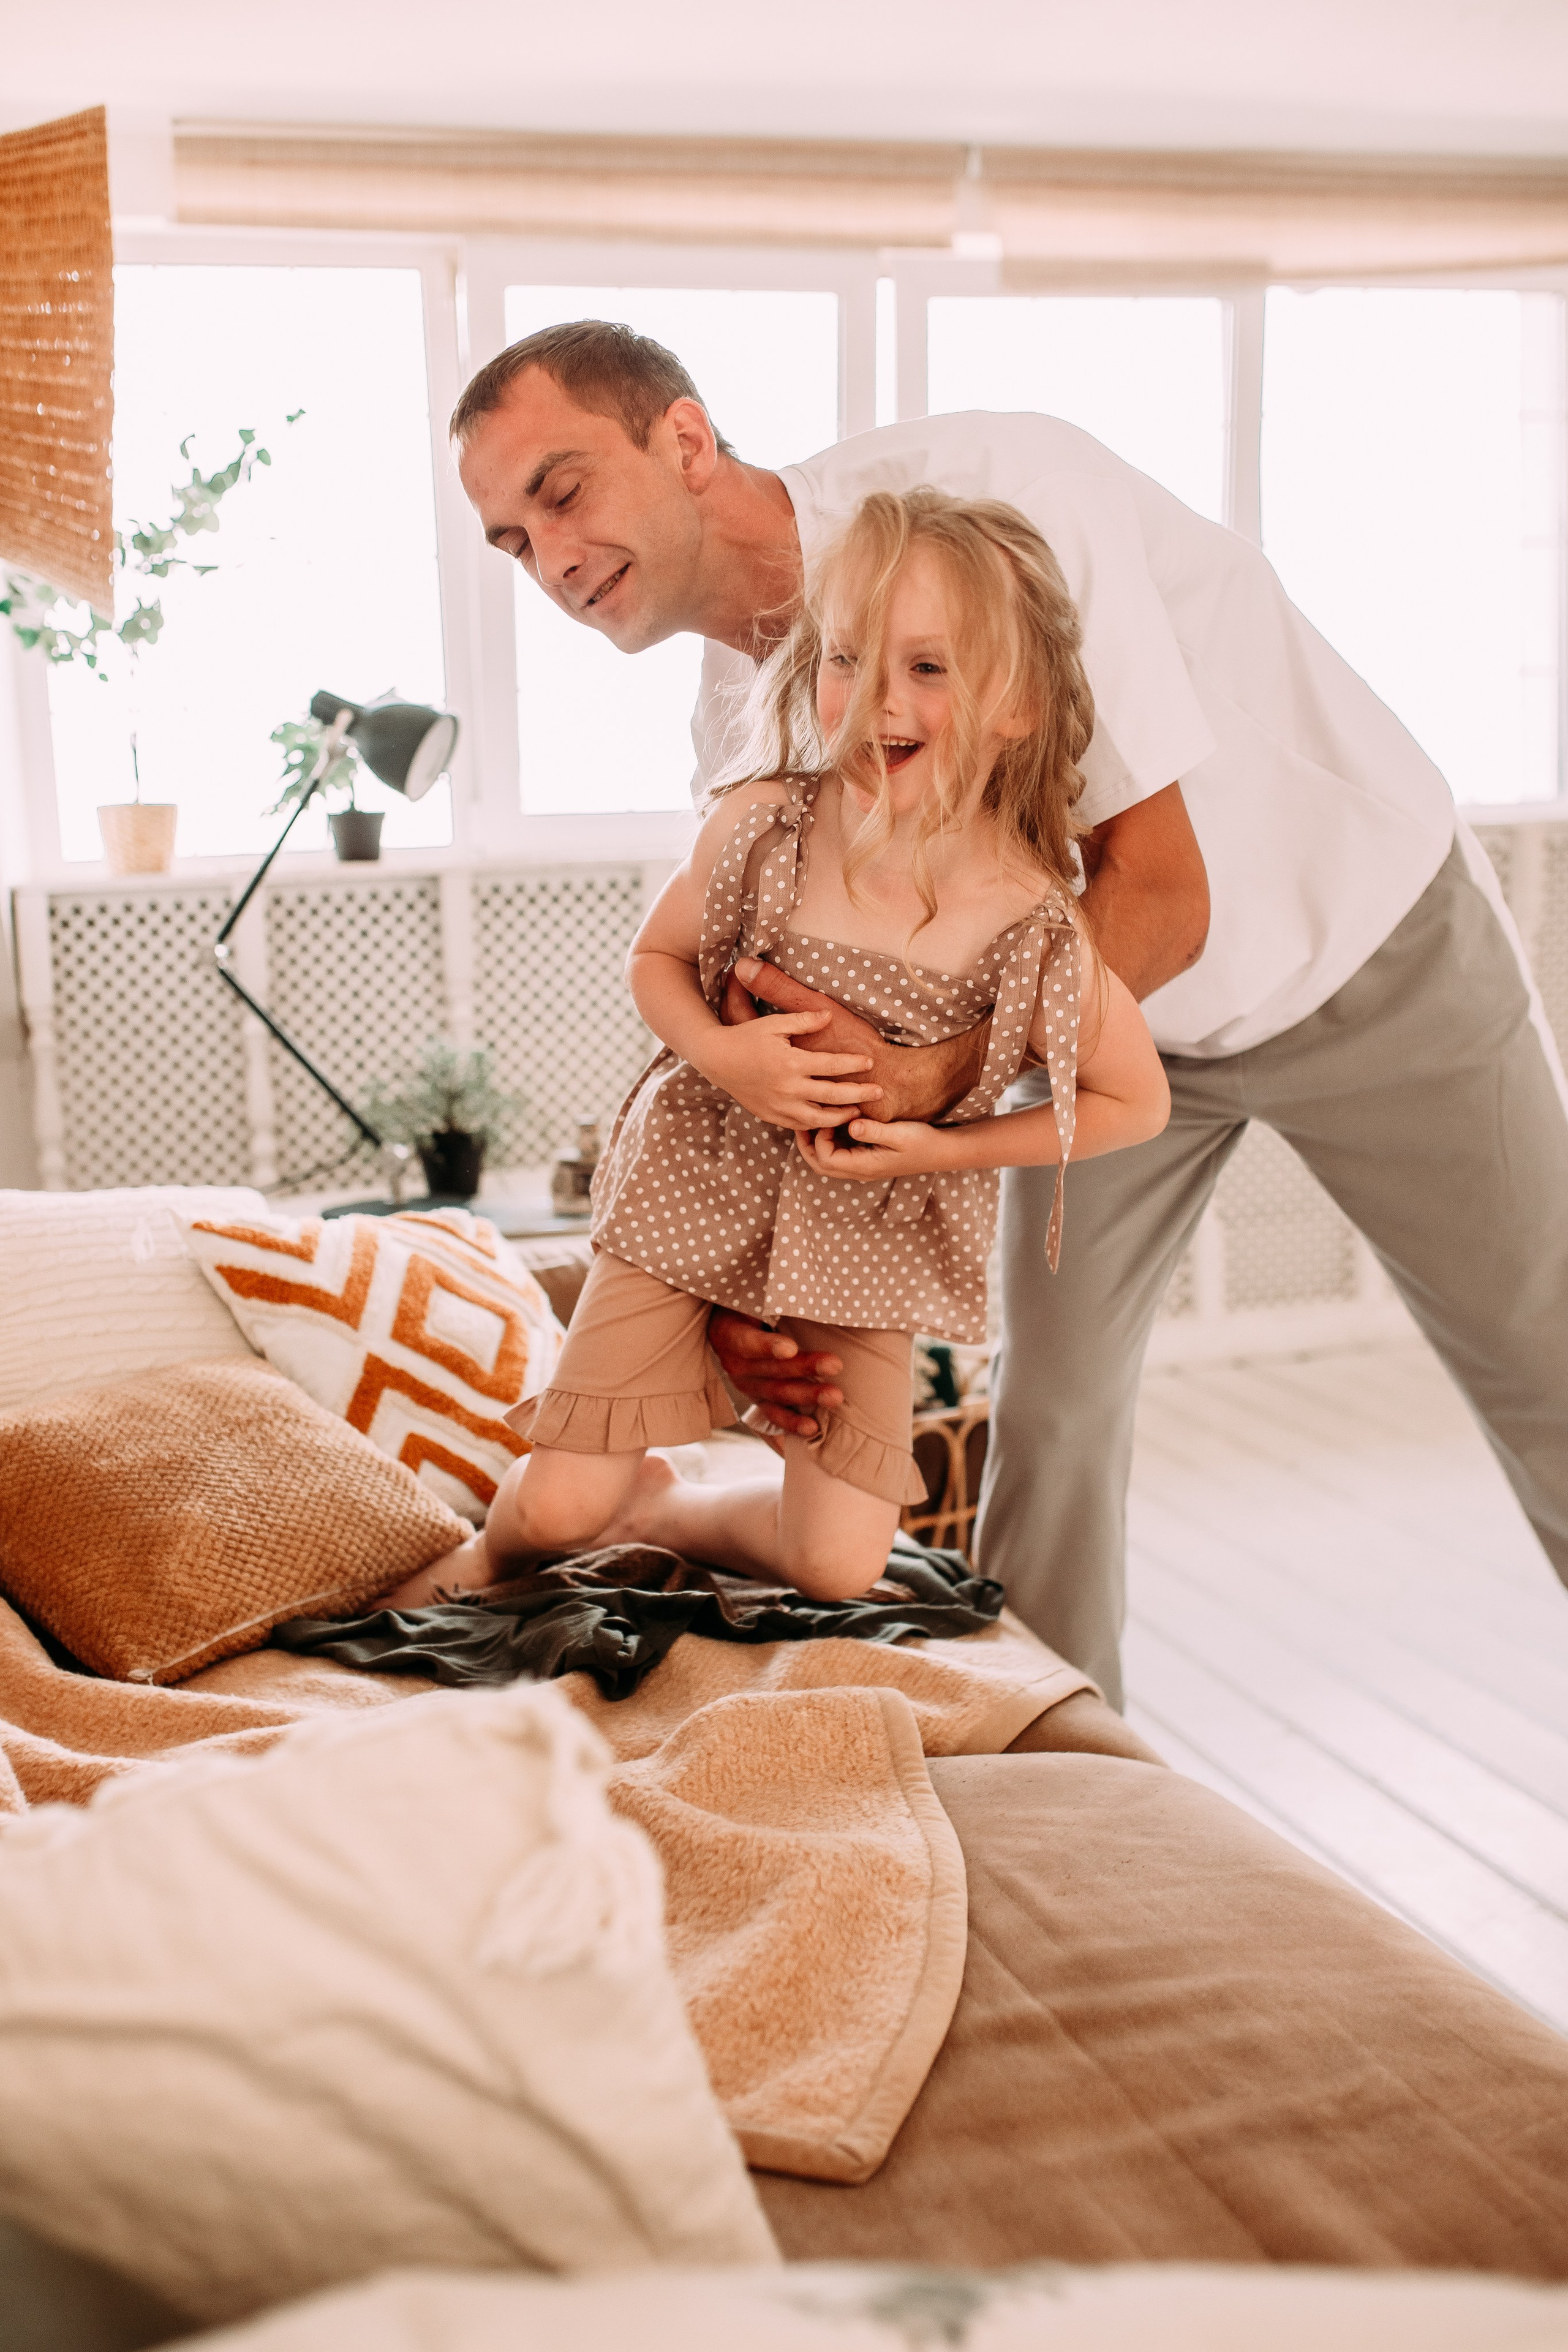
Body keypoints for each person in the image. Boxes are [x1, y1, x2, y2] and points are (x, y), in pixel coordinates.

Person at [450, 319, 1568, 1705]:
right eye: (509, 540)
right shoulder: (738, 733)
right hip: (1088, 1046)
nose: (550, 561)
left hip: (1357, 944)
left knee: (1548, 1367)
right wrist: (744, 1284)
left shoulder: (1002, 494)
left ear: (683, 439)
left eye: (560, 492)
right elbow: (779, 1046)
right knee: (1052, 1418)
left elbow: (1157, 895)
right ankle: (1058, 1750)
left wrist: (930, 1083)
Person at [407, 486, 1167, 1604]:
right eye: (848, 658)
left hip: (871, 1232)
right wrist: (727, 1058)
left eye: (928, 668)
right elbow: (654, 962)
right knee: (561, 1505)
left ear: (1014, 705)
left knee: (838, 1564)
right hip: (694, 1183)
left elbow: (1132, 1102)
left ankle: (663, 1504)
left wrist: (938, 1154)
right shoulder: (766, 819)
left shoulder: (1030, 915)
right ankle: (487, 1550)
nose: (873, 702)